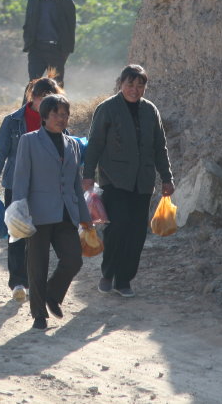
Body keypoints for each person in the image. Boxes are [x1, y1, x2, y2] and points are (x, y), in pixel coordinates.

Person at [82, 64, 175, 298]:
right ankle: (108, 272)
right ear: (120, 84)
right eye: (130, 84)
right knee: (117, 226)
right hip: (114, 180)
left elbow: (159, 147)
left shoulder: (150, 111)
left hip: (142, 182)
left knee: (136, 232)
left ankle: (124, 280)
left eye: (140, 84)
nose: (135, 89)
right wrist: (88, 175)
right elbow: (95, 144)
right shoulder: (107, 109)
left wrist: (167, 177)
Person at [12, 94, 91, 330]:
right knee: (38, 265)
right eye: (56, 114)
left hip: (66, 213)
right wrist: (19, 211)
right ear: (44, 116)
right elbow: (21, 179)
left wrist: (86, 218)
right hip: (37, 214)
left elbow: (76, 184)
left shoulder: (73, 145)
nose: (61, 118)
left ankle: (52, 295)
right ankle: (39, 315)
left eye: (65, 114)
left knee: (73, 259)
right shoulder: (29, 141)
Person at [0, 76, 63, 303]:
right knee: (16, 234)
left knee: (39, 237)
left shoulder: (58, 119)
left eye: (52, 98)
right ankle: (18, 281)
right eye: (43, 98)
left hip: (45, 188)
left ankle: (33, 280)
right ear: (32, 97)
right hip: (16, 187)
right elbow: (0, 153)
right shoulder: (13, 121)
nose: (47, 103)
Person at [22, 0, 77, 85]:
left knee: (56, 83)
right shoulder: (32, 1)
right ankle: (28, 104)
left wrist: (65, 50)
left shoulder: (66, 2)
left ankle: (58, 103)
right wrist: (29, 45)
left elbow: (70, 28)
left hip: (56, 49)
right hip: (36, 48)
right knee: (33, 83)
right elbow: (27, 25)